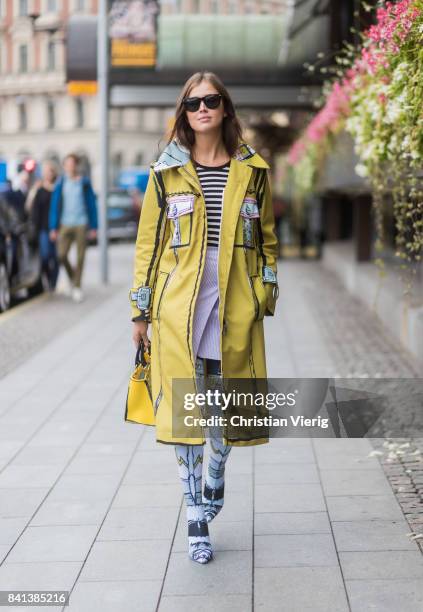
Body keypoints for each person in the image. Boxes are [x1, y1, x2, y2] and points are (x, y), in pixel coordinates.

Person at [129, 71, 279, 564]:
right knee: (187, 414)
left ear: (225, 108)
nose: (202, 109)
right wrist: (141, 311)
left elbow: (268, 240)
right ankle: (195, 515)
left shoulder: (253, 169)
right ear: (184, 112)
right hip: (180, 307)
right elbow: (148, 244)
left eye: (211, 101)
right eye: (193, 103)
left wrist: (263, 295)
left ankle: (215, 476)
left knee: (226, 413)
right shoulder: (165, 171)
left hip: (234, 301)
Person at [49, 153, 98, 302]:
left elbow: (92, 205)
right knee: (61, 255)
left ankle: (77, 287)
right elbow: (55, 206)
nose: (70, 166)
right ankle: (72, 278)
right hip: (65, 224)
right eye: (67, 164)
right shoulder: (61, 183)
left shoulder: (84, 183)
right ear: (64, 166)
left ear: (76, 165)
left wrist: (94, 226)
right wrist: (53, 227)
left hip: (81, 223)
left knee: (80, 257)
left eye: (72, 163)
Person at [31, 161, 60, 291]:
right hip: (43, 228)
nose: (47, 174)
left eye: (49, 171)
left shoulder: (58, 189)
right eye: (45, 172)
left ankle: (53, 282)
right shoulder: (39, 189)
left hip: (57, 228)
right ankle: (47, 278)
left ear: (53, 173)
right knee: (45, 256)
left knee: (57, 257)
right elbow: (33, 209)